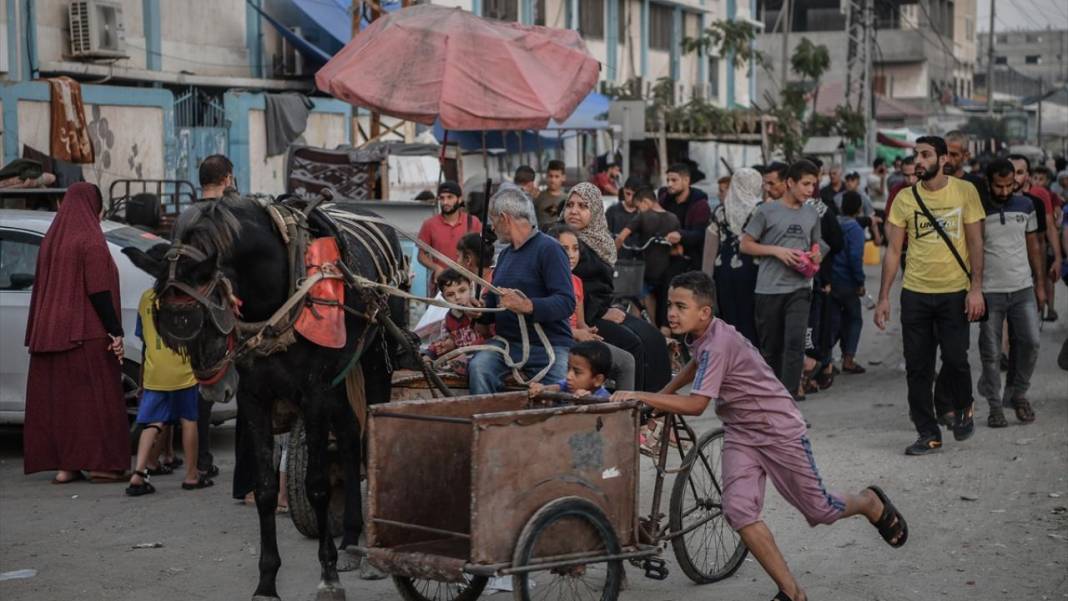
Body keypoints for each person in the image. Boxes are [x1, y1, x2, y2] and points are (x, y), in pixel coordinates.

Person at [611, 271, 908, 601]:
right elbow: (696, 365)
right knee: (738, 510)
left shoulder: (719, 344)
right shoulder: (703, 337)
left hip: (778, 430)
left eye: (681, 306)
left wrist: (643, 396)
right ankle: (792, 592)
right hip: (741, 432)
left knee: (819, 511)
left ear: (704, 312)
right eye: (669, 305)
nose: (671, 313)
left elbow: (696, 405)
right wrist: (663, 394)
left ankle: (869, 502)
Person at [874, 135, 986, 456]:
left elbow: (976, 242)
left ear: (942, 159)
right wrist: (884, 297)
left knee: (955, 358)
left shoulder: (965, 192)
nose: (918, 161)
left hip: (954, 292)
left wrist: (976, 289)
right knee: (918, 367)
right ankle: (928, 432)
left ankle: (964, 405)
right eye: (916, 155)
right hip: (916, 294)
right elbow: (894, 251)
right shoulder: (905, 199)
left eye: (925, 155)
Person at [23, 182, 129, 483]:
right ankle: (102, 465)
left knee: (63, 405)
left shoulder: (52, 241)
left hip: (49, 334)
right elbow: (98, 291)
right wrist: (115, 332)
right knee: (97, 404)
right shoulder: (90, 240)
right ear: (92, 206)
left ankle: (66, 467)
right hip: (86, 333)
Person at [564, 183, 672, 392]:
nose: (574, 211)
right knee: (633, 344)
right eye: (569, 205)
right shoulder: (562, 239)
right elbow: (573, 289)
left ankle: (657, 406)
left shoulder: (599, 239)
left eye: (582, 206)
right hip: (582, 315)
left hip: (601, 308)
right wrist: (601, 312)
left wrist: (607, 308)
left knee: (654, 338)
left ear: (595, 210)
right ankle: (634, 408)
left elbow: (601, 285)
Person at [467, 188, 574, 394]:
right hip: (508, 346)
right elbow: (493, 306)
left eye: (493, 220)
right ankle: (487, 424)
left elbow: (566, 302)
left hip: (549, 347)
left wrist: (526, 305)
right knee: (479, 368)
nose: (492, 228)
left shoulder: (549, 249)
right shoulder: (505, 256)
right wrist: (480, 312)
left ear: (505, 218)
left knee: (562, 393)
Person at [740, 160, 823, 402]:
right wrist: (777, 251)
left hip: (800, 288)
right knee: (771, 351)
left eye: (813, 185)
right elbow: (745, 244)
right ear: (790, 183)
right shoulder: (766, 211)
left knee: (795, 345)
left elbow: (817, 244)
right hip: (769, 289)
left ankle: (788, 406)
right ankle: (770, 403)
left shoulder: (811, 213)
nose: (810, 190)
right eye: (806, 184)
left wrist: (816, 254)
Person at [126, 289, 213, 496]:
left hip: (155, 372)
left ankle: (138, 474)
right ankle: (191, 476)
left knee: (152, 422)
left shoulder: (145, 297)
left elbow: (143, 337)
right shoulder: (189, 298)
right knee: (188, 419)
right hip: (183, 371)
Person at [977, 159, 1044, 428]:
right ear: (988, 182)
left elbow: (1033, 246)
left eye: (1008, 185)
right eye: (998, 186)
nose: (1004, 191)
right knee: (991, 353)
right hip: (990, 291)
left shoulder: (1026, 206)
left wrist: (1040, 284)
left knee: (1030, 342)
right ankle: (995, 407)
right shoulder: (978, 209)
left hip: (1022, 288)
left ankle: (1017, 393)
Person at [547, 224, 636, 390]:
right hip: (556, 342)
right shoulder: (545, 280)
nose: (572, 255)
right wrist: (577, 333)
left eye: (575, 249)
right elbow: (546, 324)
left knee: (626, 360)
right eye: (565, 249)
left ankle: (623, 410)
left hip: (578, 342)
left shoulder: (577, 282)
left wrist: (589, 333)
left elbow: (580, 323)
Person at [703, 167, 763, 345]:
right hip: (754, 272)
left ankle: (732, 364)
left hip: (723, 272)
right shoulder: (762, 211)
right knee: (752, 321)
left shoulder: (720, 211)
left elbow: (709, 249)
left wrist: (706, 280)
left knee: (729, 320)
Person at [615, 186, 681, 326]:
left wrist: (612, 253)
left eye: (639, 207)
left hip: (645, 271)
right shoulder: (673, 218)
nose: (638, 211)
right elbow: (678, 250)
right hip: (665, 271)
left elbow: (621, 237)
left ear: (645, 202)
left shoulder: (643, 216)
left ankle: (643, 330)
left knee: (639, 299)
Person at [1009, 155, 1063, 322]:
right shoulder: (996, 198)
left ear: (1027, 176)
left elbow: (1049, 227)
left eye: (1019, 172)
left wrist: (1058, 257)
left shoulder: (1038, 194)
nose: (1014, 177)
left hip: (1032, 256)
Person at [417, 180, 482, 295]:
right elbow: (421, 256)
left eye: (450, 197)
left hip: (468, 286)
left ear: (459, 199)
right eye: (442, 198)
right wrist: (437, 268)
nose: (445, 202)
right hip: (441, 286)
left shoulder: (473, 222)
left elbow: (481, 254)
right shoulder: (429, 224)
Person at [830, 191, 868, 374]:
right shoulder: (855, 229)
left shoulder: (834, 222)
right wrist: (860, 282)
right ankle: (848, 359)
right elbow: (855, 257)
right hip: (847, 281)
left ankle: (824, 360)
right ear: (859, 208)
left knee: (833, 321)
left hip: (831, 279)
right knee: (854, 319)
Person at [426, 269, 487, 376]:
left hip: (481, 356)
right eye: (450, 294)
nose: (458, 297)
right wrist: (429, 354)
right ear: (444, 298)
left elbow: (489, 336)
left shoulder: (480, 310)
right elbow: (445, 342)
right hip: (459, 357)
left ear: (471, 288)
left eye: (462, 290)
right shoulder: (448, 319)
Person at [529, 340, 613, 399]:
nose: (568, 376)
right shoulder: (567, 386)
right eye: (568, 368)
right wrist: (541, 389)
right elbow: (555, 388)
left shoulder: (605, 399)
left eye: (577, 372)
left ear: (597, 380)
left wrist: (588, 401)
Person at [534, 159, 568, 229]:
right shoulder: (538, 197)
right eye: (550, 176)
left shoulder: (568, 199)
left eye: (557, 176)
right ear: (547, 176)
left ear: (563, 178)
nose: (553, 180)